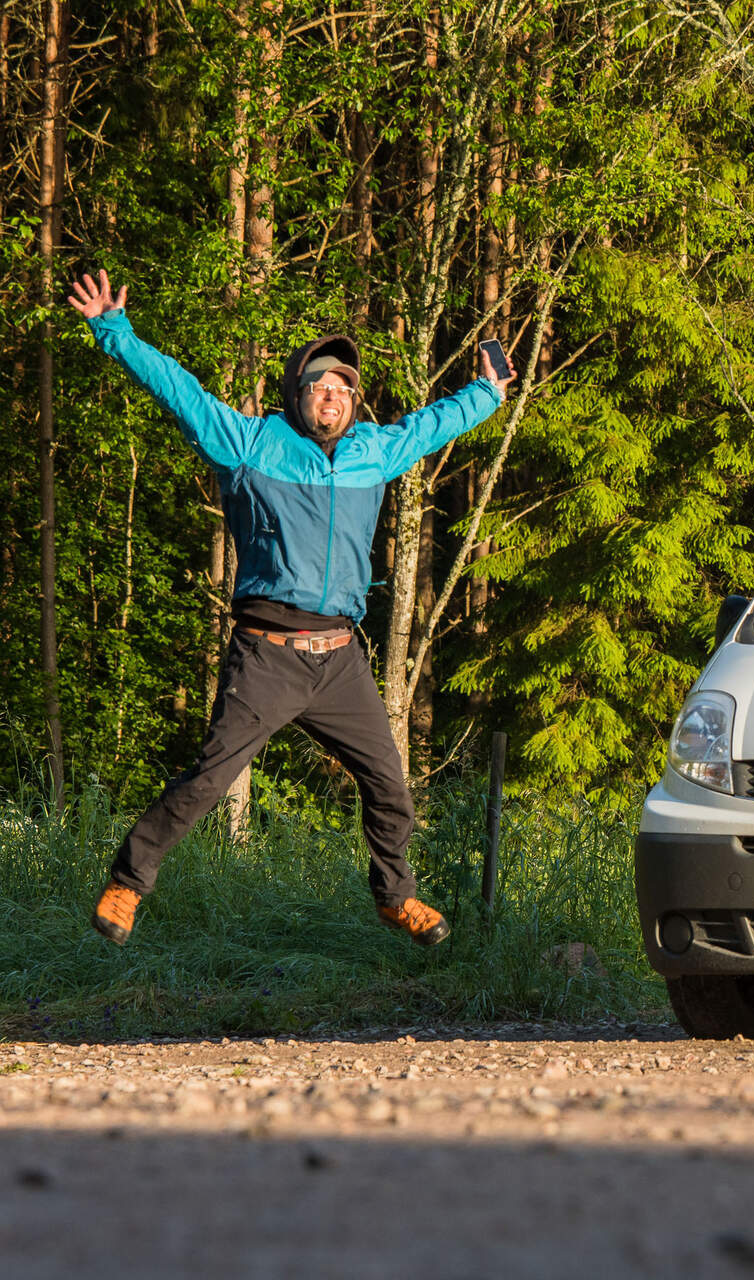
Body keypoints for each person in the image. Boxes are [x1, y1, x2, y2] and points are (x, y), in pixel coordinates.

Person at [67, 270, 513, 947]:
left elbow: (431, 425)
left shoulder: (372, 452)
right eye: (319, 387)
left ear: (353, 403)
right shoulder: (251, 445)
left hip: (339, 660)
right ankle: (129, 882)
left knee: (389, 785)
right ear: (297, 395)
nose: (331, 397)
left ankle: (396, 898)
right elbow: (179, 390)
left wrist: (487, 392)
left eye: (342, 390)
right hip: (267, 655)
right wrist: (114, 330)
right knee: (211, 778)